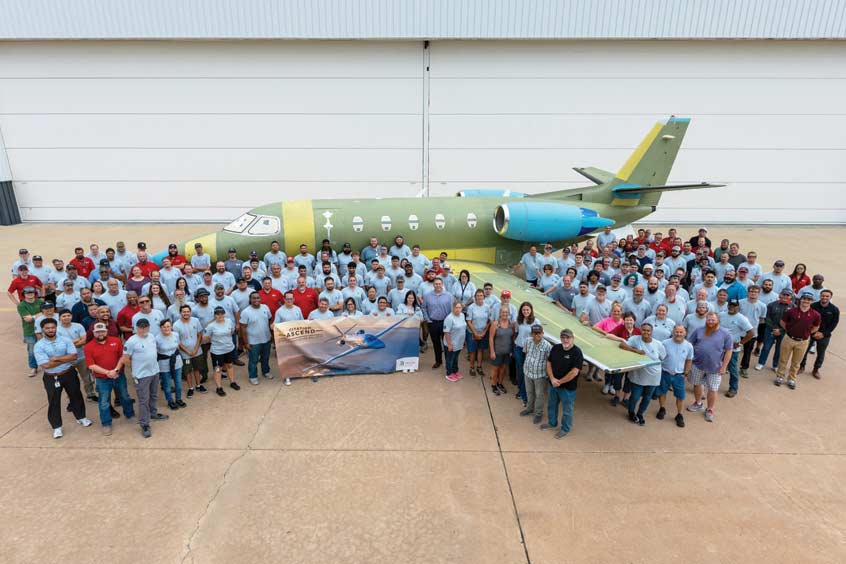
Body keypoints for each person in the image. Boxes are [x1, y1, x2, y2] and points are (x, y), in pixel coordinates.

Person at [34, 317, 92, 438]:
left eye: (53, 327)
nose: (51, 330)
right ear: (42, 329)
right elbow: (45, 365)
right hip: (51, 377)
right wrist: (65, 358)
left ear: (56, 328)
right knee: (54, 401)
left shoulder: (65, 340)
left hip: (69, 373)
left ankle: (81, 417)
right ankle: (57, 427)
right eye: (47, 328)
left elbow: (74, 356)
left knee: (76, 396)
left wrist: (55, 359)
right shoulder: (39, 345)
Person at [85, 322, 134, 435]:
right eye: (97, 332)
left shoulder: (116, 341)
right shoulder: (88, 347)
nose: (100, 334)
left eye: (102, 331)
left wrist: (116, 370)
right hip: (102, 379)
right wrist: (107, 372)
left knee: (125, 396)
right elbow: (91, 365)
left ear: (106, 331)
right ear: (93, 333)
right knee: (104, 402)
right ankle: (106, 423)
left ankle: (130, 414)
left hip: (118, 375)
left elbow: (122, 357)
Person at [123, 318, 168, 438]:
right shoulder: (131, 341)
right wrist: (135, 371)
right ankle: (144, 423)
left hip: (154, 371)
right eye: (141, 327)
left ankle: (153, 413)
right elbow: (126, 359)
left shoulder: (151, 336)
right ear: (136, 328)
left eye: (145, 327)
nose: (143, 329)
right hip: (141, 375)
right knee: (144, 400)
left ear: (148, 327)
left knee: (154, 395)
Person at [687, 312, 733, 423]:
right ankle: (698, 403)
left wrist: (724, 367)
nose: (710, 322)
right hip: (697, 364)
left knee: (713, 389)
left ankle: (709, 409)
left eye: (713, 320)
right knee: (697, 384)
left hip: (715, 367)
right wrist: (689, 361)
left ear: (718, 320)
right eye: (708, 320)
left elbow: (729, 351)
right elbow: (689, 344)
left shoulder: (726, 334)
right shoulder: (699, 331)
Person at [619, 323, 666, 426]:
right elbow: (622, 345)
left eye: (648, 330)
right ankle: (631, 413)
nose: (646, 332)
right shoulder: (635, 339)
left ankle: (640, 414)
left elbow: (663, 357)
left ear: (652, 332)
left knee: (647, 397)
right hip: (638, 375)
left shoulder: (658, 344)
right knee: (635, 397)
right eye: (644, 330)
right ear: (641, 330)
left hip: (654, 376)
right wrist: (636, 351)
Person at [540, 328, 583, 439]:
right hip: (553, 384)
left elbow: (574, 372)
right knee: (552, 405)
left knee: (567, 410)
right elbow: (549, 363)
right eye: (563, 337)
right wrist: (552, 378)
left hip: (567, 388)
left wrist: (559, 382)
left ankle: (565, 429)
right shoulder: (556, 348)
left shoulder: (577, 353)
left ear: (572, 338)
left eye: (568, 337)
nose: (565, 340)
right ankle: (552, 423)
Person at [774, 294, 821, 389]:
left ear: (812, 301)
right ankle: (780, 376)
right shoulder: (791, 311)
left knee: (796, 362)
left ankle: (791, 379)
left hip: (803, 341)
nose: (806, 301)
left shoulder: (815, 314)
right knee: (783, 359)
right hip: (788, 339)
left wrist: (807, 333)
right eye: (804, 299)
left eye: (809, 300)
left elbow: (816, 327)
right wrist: (789, 330)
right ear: (800, 300)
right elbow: (782, 322)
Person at [654, 325, 694, 428]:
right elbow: (659, 356)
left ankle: (679, 414)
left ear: (685, 333)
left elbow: (689, 360)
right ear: (673, 332)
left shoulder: (689, 346)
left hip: (679, 375)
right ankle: (662, 408)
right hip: (665, 373)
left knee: (680, 396)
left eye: (681, 332)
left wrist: (686, 373)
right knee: (662, 392)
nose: (678, 334)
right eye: (677, 332)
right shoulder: (665, 343)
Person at [56, 308, 97, 403]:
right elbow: (61, 346)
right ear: (59, 318)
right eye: (64, 316)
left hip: (82, 357)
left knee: (87, 378)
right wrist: (77, 340)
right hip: (67, 359)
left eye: (68, 315)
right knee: (69, 381)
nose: (66, 317)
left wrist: (68, 344)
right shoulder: (57, 330)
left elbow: (84, 340)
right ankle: (72, 399)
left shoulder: (78, 326)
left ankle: (90, 394)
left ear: (72, 316)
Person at [799, 289, 838, 379]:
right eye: (823, 295)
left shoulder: (834, 310)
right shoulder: (813, 306)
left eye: (827, 296)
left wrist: (823, 333)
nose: (824, 297)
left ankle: (816, 369)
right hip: (810, 333)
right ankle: (801, 366)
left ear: (830, 297)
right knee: (804, 351)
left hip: (824, 335)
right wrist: (812, 331)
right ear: (820, 296)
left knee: (821, 353)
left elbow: (834, 323)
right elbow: (807, 319)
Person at [520, 325, 552, 424]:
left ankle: (538, 413)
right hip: (528, 372)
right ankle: (529, 409)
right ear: (531, 334)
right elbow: (526, 353)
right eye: (535, 333)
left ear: (542, 333)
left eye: (539, 333)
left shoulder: (547, 346)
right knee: (529, 392)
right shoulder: (527, 341)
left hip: (540, 375)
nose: (537, 335)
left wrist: (547, 374)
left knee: (539, 395)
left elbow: (549, 361)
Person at [204, 306, 240, 396]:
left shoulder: (229, 321)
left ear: (224, 314)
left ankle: (232, 382)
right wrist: (216, 342)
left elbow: (232, 332)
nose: (220, 316)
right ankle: (219, 387)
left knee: (230, 365)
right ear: (214, 315)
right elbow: (206, 338)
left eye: (221, 313)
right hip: (217, 351)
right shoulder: (211, 326)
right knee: (217, 369)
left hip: (229, 349)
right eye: (217, 314)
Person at [756, 288, 794, 371]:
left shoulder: (793, 307)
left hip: (783, 331)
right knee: (766, 347)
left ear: (791, 297)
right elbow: (767, 318)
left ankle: (775, 365)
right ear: (780, 295)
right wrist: (774, 328)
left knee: (779, 349)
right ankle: (761, 363)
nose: (785, 296)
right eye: (784, 294)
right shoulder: (771, 305)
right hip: (770, 329)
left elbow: (792, 322)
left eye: (787, 295)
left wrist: (780, 330)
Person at [240, 291, 273, 385]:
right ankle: (253, 376)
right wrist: (246, 342)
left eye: (258, 298)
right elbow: (243, 328)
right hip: (253, 341)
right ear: (250, 300)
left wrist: (271, 335)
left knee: (265, 358)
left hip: (266, 339)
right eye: (253, 298)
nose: (256, 300)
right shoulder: (246, 312)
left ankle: (266, 372)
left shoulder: (265, 307)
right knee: (253, 360)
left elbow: (269, 321)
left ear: (260, 298)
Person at [175, 304, 206, 398]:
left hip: (197, 351)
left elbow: (199, 335)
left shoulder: (196, 321)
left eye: (188, 311)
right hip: (185, 354)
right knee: (188, 371)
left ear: (190, 312)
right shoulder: (176, 325)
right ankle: (190, 388)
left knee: (197, 369)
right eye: (184, 312)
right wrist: (188, 351)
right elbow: (178, 341)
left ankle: (198, 385)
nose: (186, 313)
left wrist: (196, 349)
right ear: (180, 313)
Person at [421, 278, 452, 369]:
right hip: (433, 323)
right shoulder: (427, 296)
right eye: (436, 284)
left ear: (442, 284)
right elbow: (424, 308)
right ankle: (438, 361)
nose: (438, 285)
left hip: (445, 323)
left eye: (439, 283)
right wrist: (427, 319)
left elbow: (451, 309)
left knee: (446, 343)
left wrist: (450, 322)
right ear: (433, 285)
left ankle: (448, 362)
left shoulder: (448, 296)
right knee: (436, 343)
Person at [739, 286, 767, 378]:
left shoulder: (762, 306)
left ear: (759, 294)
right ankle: (728, 366)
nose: (753, 293)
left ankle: (744, 368)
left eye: (755, 292)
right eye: (751, 291)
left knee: (747, 351)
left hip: (752, 333)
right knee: (732, 350)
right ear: (748, 292)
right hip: (738, 331)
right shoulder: (740, 302)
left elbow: (762, 319)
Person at [488, 305, 516, 396]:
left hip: (507, 352)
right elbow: (491, 338)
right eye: (503, 312)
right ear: (500, 313)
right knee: (495, 369)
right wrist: (492, 351)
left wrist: (512, 350)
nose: (505, 314)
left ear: (509, 313)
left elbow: (513, 337)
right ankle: (493, 385)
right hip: (497, 352)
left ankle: (500, 383)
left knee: (503, 369)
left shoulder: (511, 324)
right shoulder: (495, 324)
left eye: (506, 312)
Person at [17, 286, 43, 377]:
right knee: (32, 351)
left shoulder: (40, 302)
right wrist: (39, 314)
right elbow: (27, 320)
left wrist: (32, 316)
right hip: (29, 330)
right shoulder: (21, 305)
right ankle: (33, 367)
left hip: (43, 329)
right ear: (24, 294)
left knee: (47, 347)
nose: (30, 294)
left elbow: (47, 312)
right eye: (27, 293)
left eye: (31, 292)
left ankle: (48, 365)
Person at [443, 300, 467, 382]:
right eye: (456, 307)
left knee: (456, 358)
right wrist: (449, 344)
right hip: (451, 343)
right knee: (450, 359)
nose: (458, 309)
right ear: (453, 308)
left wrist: (463, 341)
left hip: (459, 343)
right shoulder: (449, 318)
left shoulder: (462, 315)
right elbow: (446, 332)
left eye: (459, 307)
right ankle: (449, 373)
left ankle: (455, 370)